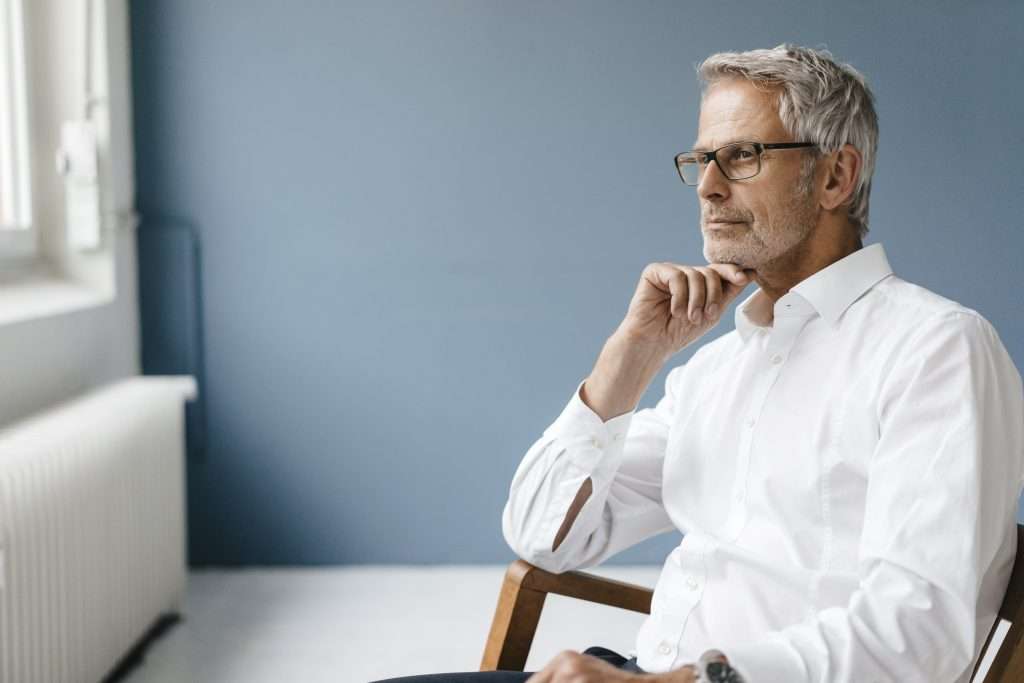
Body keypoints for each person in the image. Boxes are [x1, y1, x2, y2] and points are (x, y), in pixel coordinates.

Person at [371, 44, 1024, 683]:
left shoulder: (935, 349)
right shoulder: (716, 372)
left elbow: (922, 633)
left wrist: (693, 678)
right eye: (702, 158)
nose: (708, 187)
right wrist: (630, 356)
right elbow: (542, 536)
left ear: (834, 176)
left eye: (742, 156)